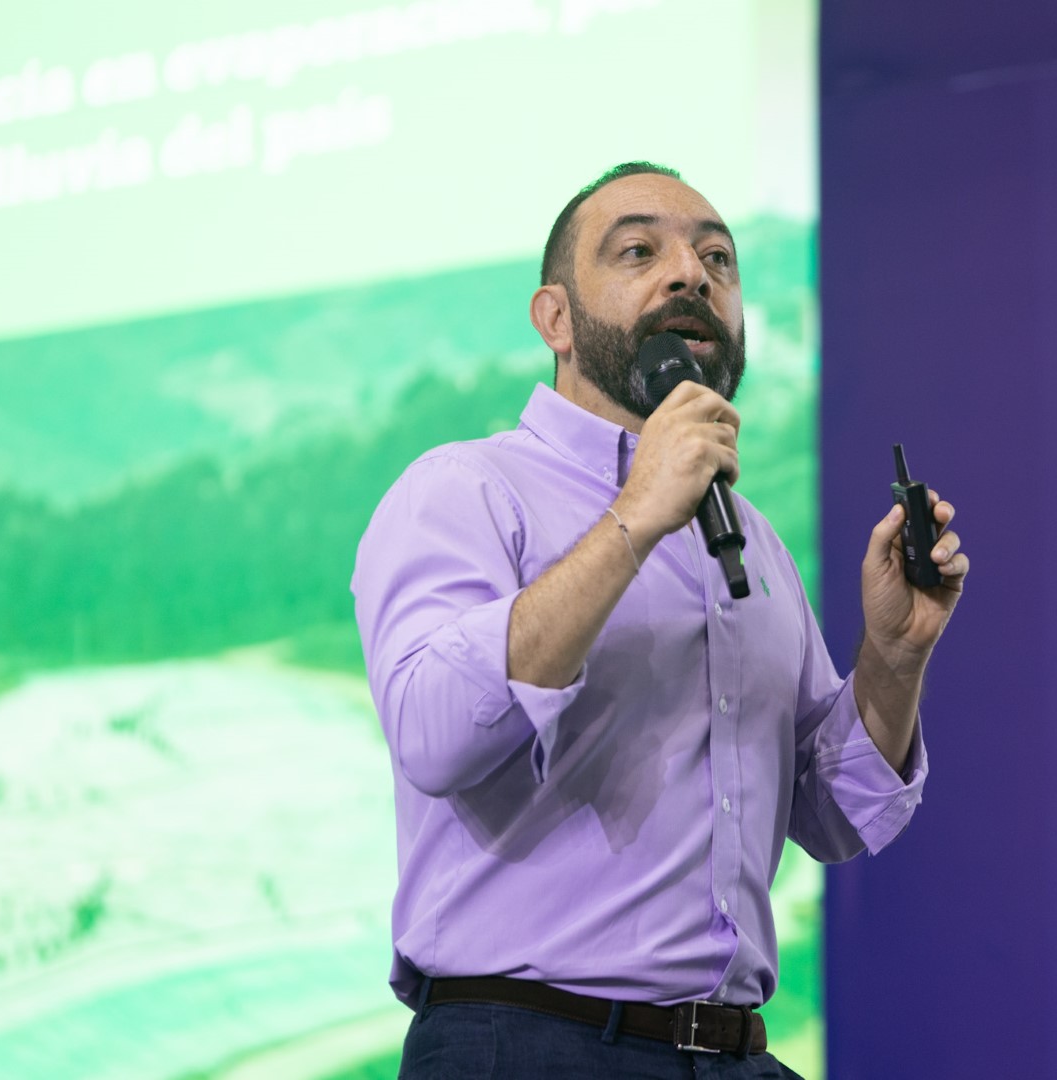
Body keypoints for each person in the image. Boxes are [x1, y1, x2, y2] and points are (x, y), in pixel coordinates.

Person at [352, 162, 969, 1079]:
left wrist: (894, 655)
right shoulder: (466, 489)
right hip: (529, 1045)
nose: (690, 275)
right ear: (555, 319)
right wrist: (637, 514)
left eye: (718, 259)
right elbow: (434, 736)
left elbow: (834, 818)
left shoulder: (750, 538)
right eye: (640, 251)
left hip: (734, 1053)